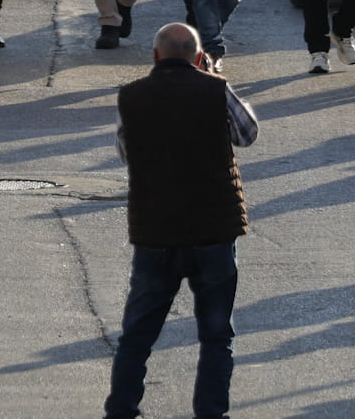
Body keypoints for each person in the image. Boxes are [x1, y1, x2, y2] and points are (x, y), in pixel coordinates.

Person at [103, 23, 258, 419]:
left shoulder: (132, 97)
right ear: (199, 58)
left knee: (137, 335)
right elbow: (247, 133)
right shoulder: (215, 90)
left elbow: (125, 151)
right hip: (214, 229)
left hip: (156, 231)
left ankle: (121, 410)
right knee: (216, 334)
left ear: (155, 57)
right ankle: (210, 412)